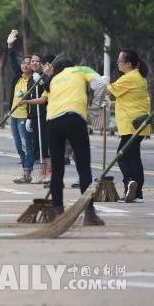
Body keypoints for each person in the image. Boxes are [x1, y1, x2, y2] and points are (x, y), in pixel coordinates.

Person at [23, 57, 107, 224]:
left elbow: (45, 98)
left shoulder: (53, 79)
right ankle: (89, 213)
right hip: (74, 119)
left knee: (57, 169)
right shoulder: (81, 70)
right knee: (83, 168)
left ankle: (58, 212)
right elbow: (101, 84)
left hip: (53, 122)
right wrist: (94, 110)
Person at [108, 49, 150, 203]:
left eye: (120, 61)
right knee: (133, 157)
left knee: (121, 154)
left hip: (132, 124)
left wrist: (103, 81)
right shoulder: (138, 77)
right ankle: (137, 194)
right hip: (138, 123)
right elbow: (127, 100)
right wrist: (110, 104)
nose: (118, 63)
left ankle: (129, 182)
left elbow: (109, 89)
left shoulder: (129, 78)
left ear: (128, 64)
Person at [4, 30, 35, 183]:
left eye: (28, 64)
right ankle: (25, 169)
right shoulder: (18, 76)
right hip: (14, 116)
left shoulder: (35, 80)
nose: (24, 65)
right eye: (23, 63)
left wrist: (30, 117)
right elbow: (13, 62)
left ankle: (27, 173)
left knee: (27, 144)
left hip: (25, 116)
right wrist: (10, 45)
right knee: (18, 145)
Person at [29, 53, 50, 183]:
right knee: (39, 145)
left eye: (37, 61)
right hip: (35, 115)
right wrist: (29, 117)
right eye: (32, 61)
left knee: (46, 144)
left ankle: (49, 172)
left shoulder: (45, 76)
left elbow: (48, 90)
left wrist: (42, 81)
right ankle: (41, 173)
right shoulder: (32, 77)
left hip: (46, 114)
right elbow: (30, 96)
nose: (34, 63)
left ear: (41, 63)